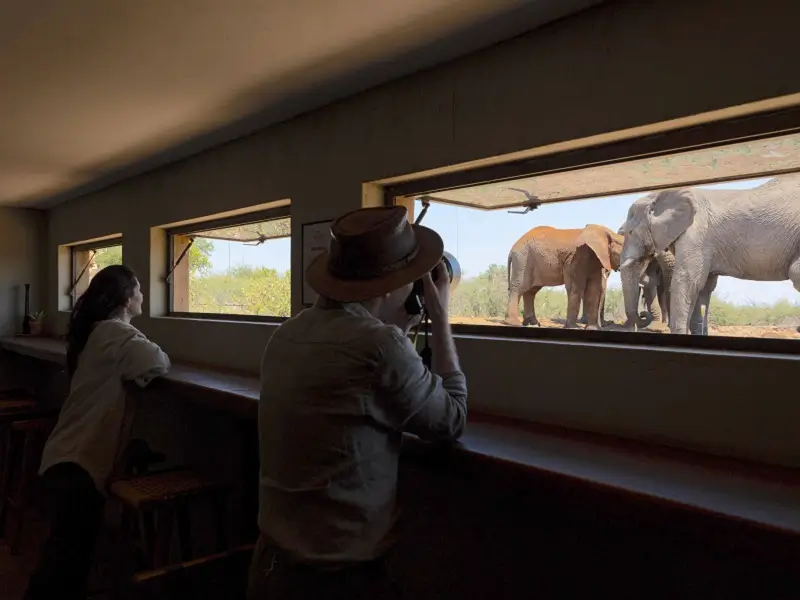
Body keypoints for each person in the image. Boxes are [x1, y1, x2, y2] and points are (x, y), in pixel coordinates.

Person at [247, 205, 468, 599]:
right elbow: (451, 419)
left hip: (271, 567)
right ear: (388, 285)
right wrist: (440, 314)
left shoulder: (285, 335)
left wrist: (398, 326)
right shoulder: (380, 346)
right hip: (337, 579)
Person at [24, 265, 171, 600]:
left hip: (66, 455)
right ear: (125, 298)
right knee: (64, 565)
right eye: (137, 288)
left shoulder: (95, 333)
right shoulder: (116, 334)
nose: (143, 294)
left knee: (66, 559)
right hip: (80, 461)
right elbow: (157, 362)